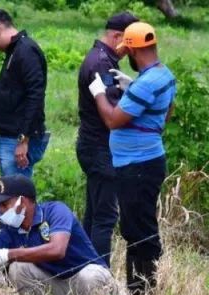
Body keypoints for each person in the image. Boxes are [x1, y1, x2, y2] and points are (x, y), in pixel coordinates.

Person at [88, 22, 176, 295]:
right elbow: (166, 114)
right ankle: (140, 290)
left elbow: (113, 120)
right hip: (147, 160)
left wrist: (99, 93)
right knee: (138, 224)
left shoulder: (146, 83)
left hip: (136, 166)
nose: (126, 57)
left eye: (128, 52)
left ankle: (143, 293)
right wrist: (133, 88)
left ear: (135, 50)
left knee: (137, 229)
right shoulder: (164, 76)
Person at [76, 12, 139, 265]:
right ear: (117, 36)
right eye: (131, 41)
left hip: (94, 146)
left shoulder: (102, 58)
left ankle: (82, 267)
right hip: (100, 148)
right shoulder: (102, 64)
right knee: (104, 217)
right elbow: (112, 114)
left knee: (93, 214)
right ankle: (99, 277)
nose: (133, 49)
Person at [0, 8, 50, 178]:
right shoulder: (15, 50)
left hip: (17, 138)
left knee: (16, 198)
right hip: (9, 138)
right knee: (11, 194)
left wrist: (23, 139)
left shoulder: (26, 51)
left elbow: (35, 95)